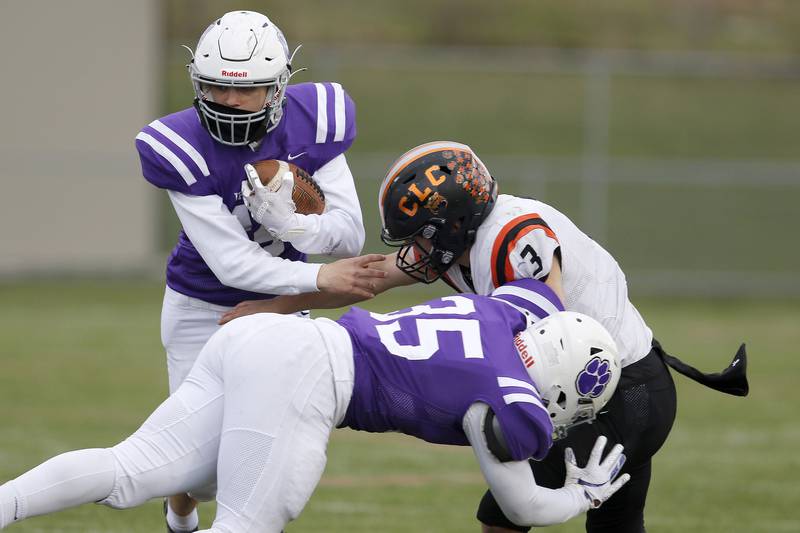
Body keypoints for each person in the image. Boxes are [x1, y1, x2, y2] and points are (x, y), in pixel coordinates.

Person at [220, 141, 749, 532]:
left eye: (422, 234)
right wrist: (276, 306)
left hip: (620, 391)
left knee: (506, 519)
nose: (415, 250)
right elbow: (371, 275)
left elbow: (554, 339)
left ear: (452, 221)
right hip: (611, 387)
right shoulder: (462, 237)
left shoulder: (516, 239)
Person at [0, 279, 631, 532]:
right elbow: (522, 503)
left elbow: (536, 295)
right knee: (246, 526)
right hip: (308, 375)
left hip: (268, 338)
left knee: (125, 471)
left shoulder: (503, 314)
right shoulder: (509, 401)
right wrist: (581, 496)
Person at [133, 10, 387, 532]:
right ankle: (181, 509)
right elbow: (231, 262)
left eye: (244, 90)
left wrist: (293, 226)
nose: (228, 101)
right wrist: (321, 279)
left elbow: (347, 234)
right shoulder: (178, 144)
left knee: (258, 444)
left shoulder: (314, 117)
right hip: (204, 307)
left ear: (277, 87)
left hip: (280, 311)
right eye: (215, 88)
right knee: (198, 468)